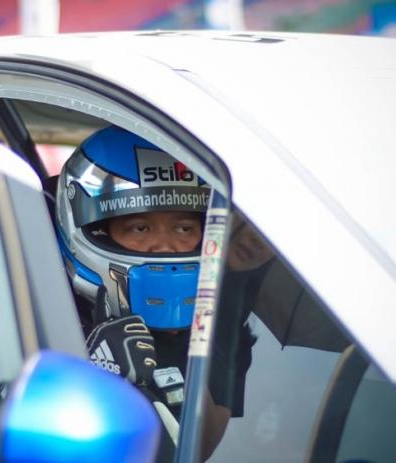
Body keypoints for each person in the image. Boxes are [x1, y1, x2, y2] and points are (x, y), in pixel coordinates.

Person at [54, 125, 261, 460]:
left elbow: (204, 450)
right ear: (98, 232)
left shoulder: (218, 325)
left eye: (184, 228)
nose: (165, 246)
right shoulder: (43, 308)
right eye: (140, 227)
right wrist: (91, 376)